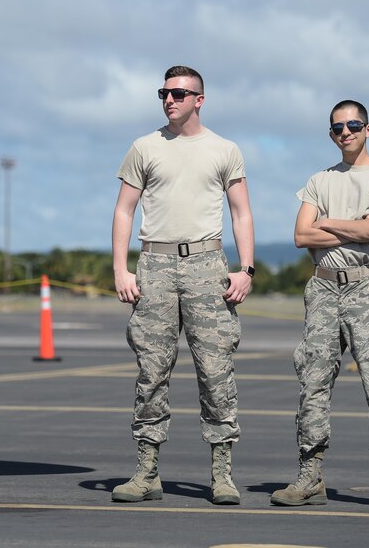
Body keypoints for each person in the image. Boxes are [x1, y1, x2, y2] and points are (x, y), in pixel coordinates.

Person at [110, 65, 255, 505]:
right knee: (151, 371)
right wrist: (121, 269)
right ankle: (147, 471)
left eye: (178, 93)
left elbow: (242, 213)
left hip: (207, 264)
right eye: (163, 93)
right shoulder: (143, 147)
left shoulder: (224, 149)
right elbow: (123, 211)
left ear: (199, 99)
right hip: (154, 263)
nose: (169, 100)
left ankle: (222, 474)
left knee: (215, 371)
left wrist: (245, 269)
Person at [270, 100, 369, 512]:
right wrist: (353, 227)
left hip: (367, 288)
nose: (345, 132)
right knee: (312, 383)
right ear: (331, 134)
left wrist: (327, 222)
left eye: (353, 125)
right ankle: (310, 476)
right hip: (323, 290)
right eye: (337, 128)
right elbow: (300, 236)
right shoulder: (319, 180)